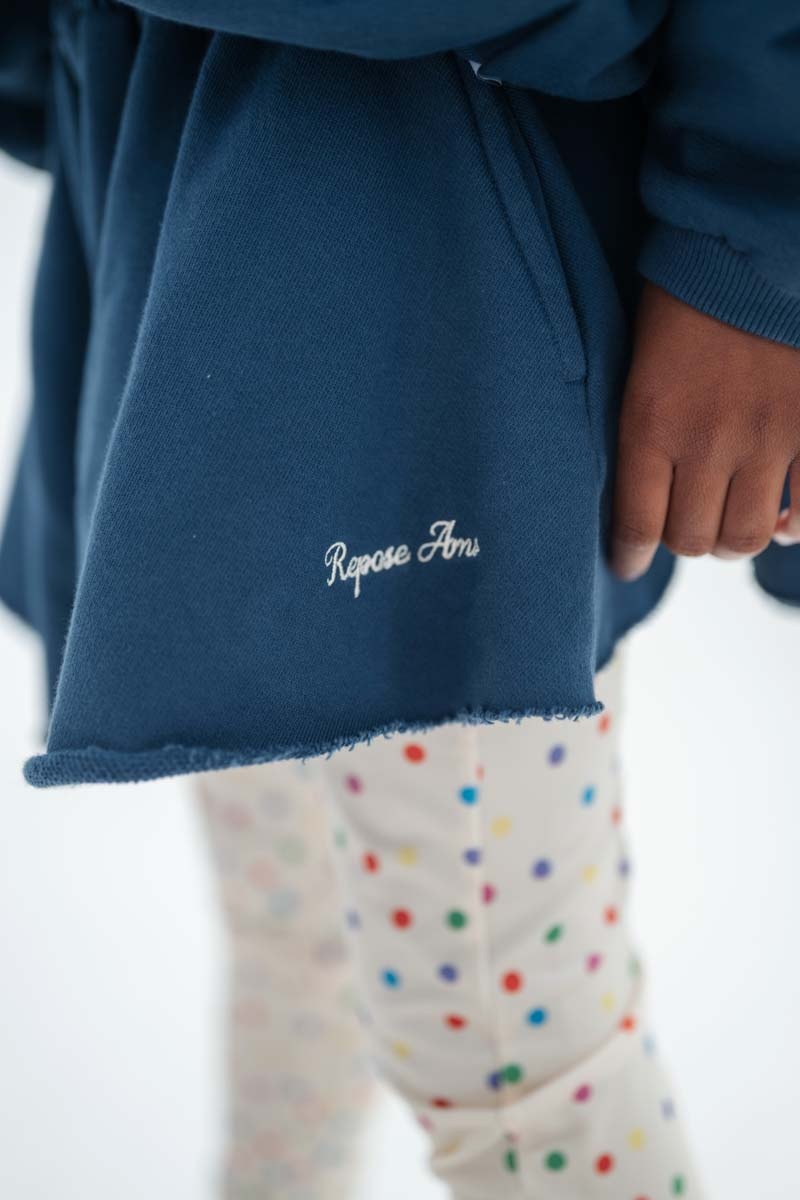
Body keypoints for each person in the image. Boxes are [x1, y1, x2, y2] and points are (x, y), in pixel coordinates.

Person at [1, 1, 799, 1196]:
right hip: (176, 177)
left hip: (448, 225)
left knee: (514, 1060)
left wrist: (754, 235)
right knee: (295, 941)